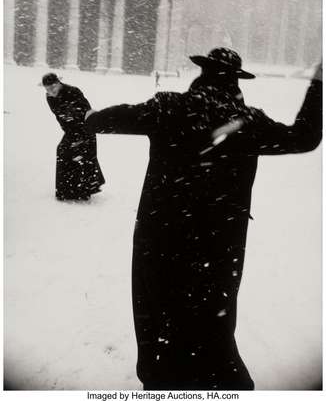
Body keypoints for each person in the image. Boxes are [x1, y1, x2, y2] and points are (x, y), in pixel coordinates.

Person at [85, 48, 322, 390]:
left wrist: (91, 115)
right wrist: (318, 84)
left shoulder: (168, 107)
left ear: (202, 74)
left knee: (157, 313)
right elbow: (305, 137)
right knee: (212, 322)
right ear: (235, 82)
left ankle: (161, 380)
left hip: (160, 237)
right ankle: (218, 381)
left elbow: (103, 121)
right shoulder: (248, 122)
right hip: (219, 245)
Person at [41, 72, 105, 201]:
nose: (50, 91)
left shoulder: (73, 91)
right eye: (47, 89)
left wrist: (80, 134)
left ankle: (83, 190)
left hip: (86, 128)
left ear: (59, 83)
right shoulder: (49, 97)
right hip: (70, 130)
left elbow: (87, 111)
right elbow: (59, 116)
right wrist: (69, 130)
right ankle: (65, 191)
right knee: (63, 151)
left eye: (52, 87)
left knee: (82, 155)